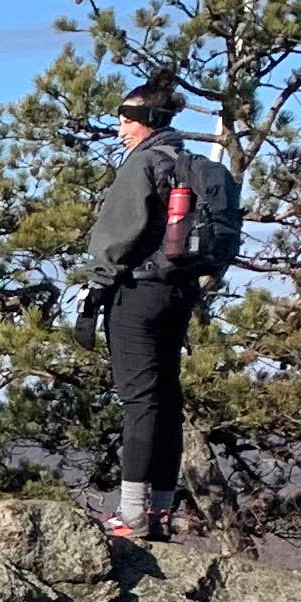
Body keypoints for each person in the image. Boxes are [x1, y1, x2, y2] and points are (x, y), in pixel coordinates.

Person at [76, 74, 203, 544]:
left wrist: (95, 290)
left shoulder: (142, 164)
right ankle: (161, 511)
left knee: (140, 401)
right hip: (177, 293)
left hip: (139, 292)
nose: (119, 129)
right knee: (167, 400)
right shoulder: (185, 162)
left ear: (147, 120)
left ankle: (131, 514)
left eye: (125, 119)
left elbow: (117, 237)